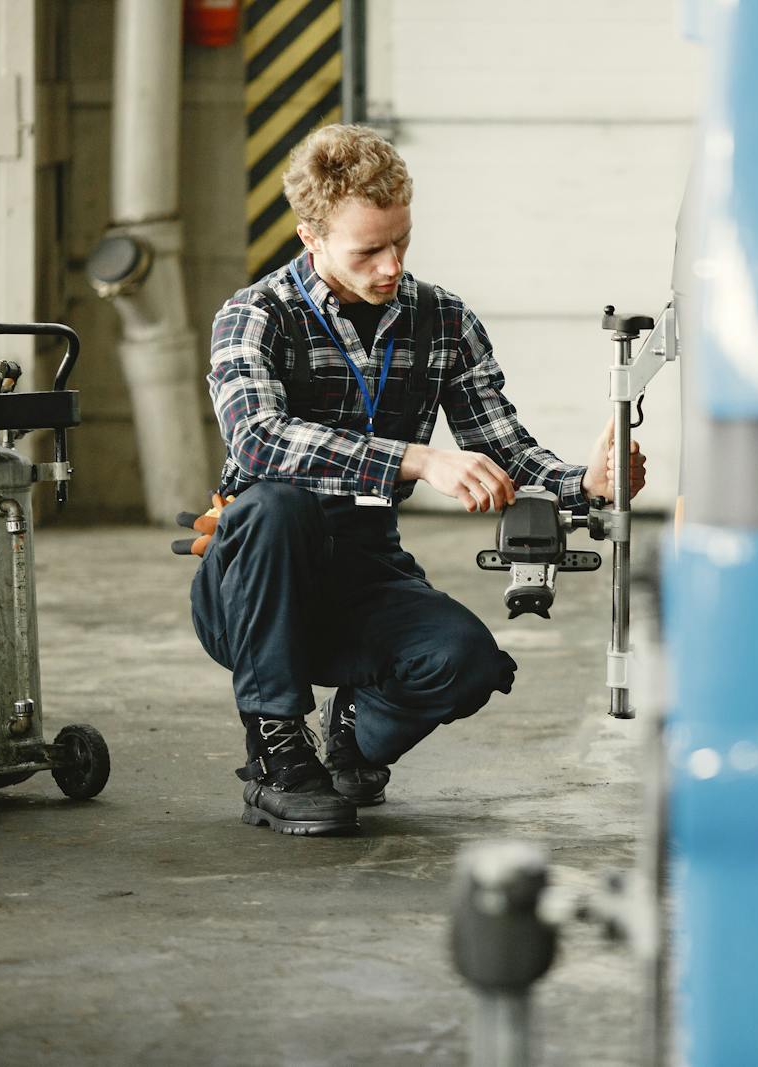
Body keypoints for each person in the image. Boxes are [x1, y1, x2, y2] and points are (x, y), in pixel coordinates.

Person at [190, 124, 646, 836]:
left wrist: (585, 481)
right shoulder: (255, 316)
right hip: (255, 575)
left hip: (365, 560)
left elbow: (504, 448)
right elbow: (259, 438)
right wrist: (417, 458)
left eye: (401, 240)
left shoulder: (442, 319)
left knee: (466, 660)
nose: (391, 264)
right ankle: (278, 756)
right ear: (310, 238)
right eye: (368, 249)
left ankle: (351, 740)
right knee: (275, 507)